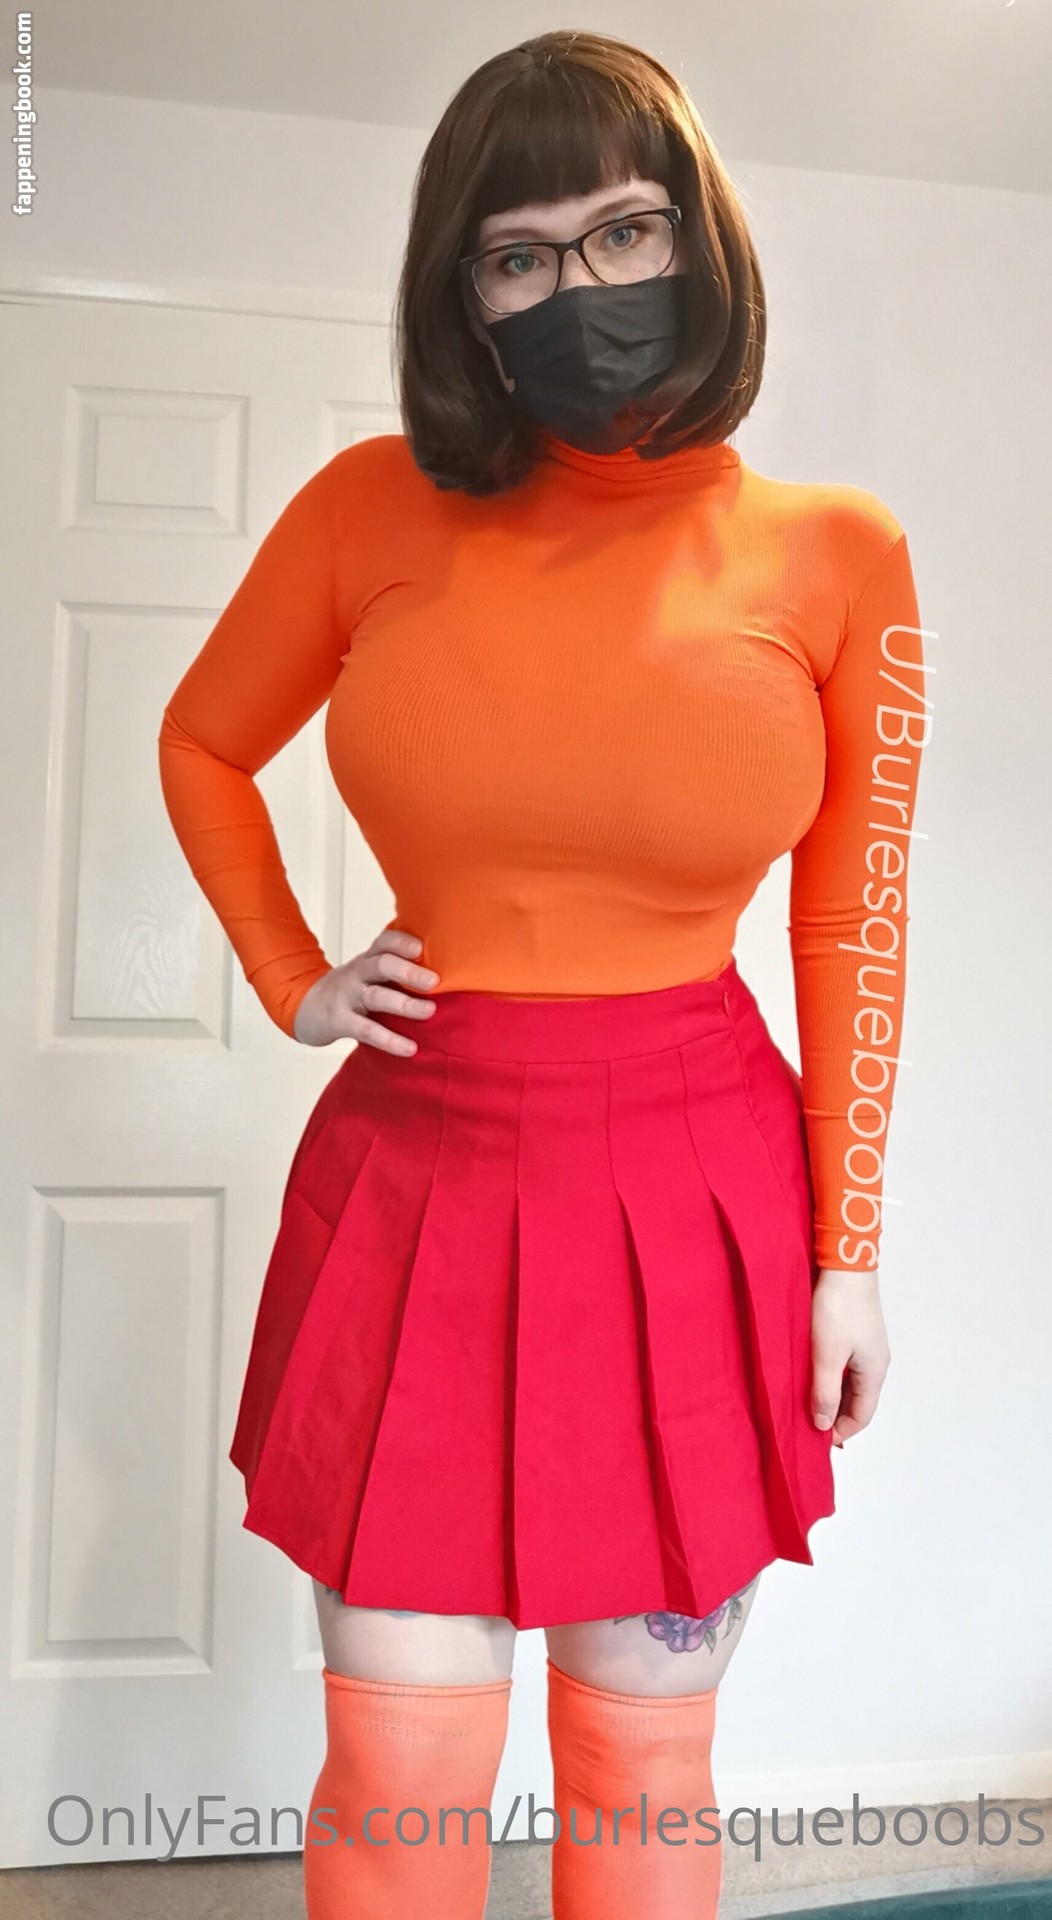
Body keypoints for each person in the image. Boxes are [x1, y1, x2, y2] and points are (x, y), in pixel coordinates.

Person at [157, 27, 929, 1920]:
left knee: (645, 1775)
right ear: (464, 293)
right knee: (397, 1777)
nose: (578, 284)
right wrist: (291, 971)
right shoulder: (368, 508)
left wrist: (847, 1254)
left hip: (703, 1200)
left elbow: (854, 920)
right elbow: (201, 742)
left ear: (699, 240)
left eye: (624, 229)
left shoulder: (839, 554)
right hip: (418, 1179)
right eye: (517, 254)